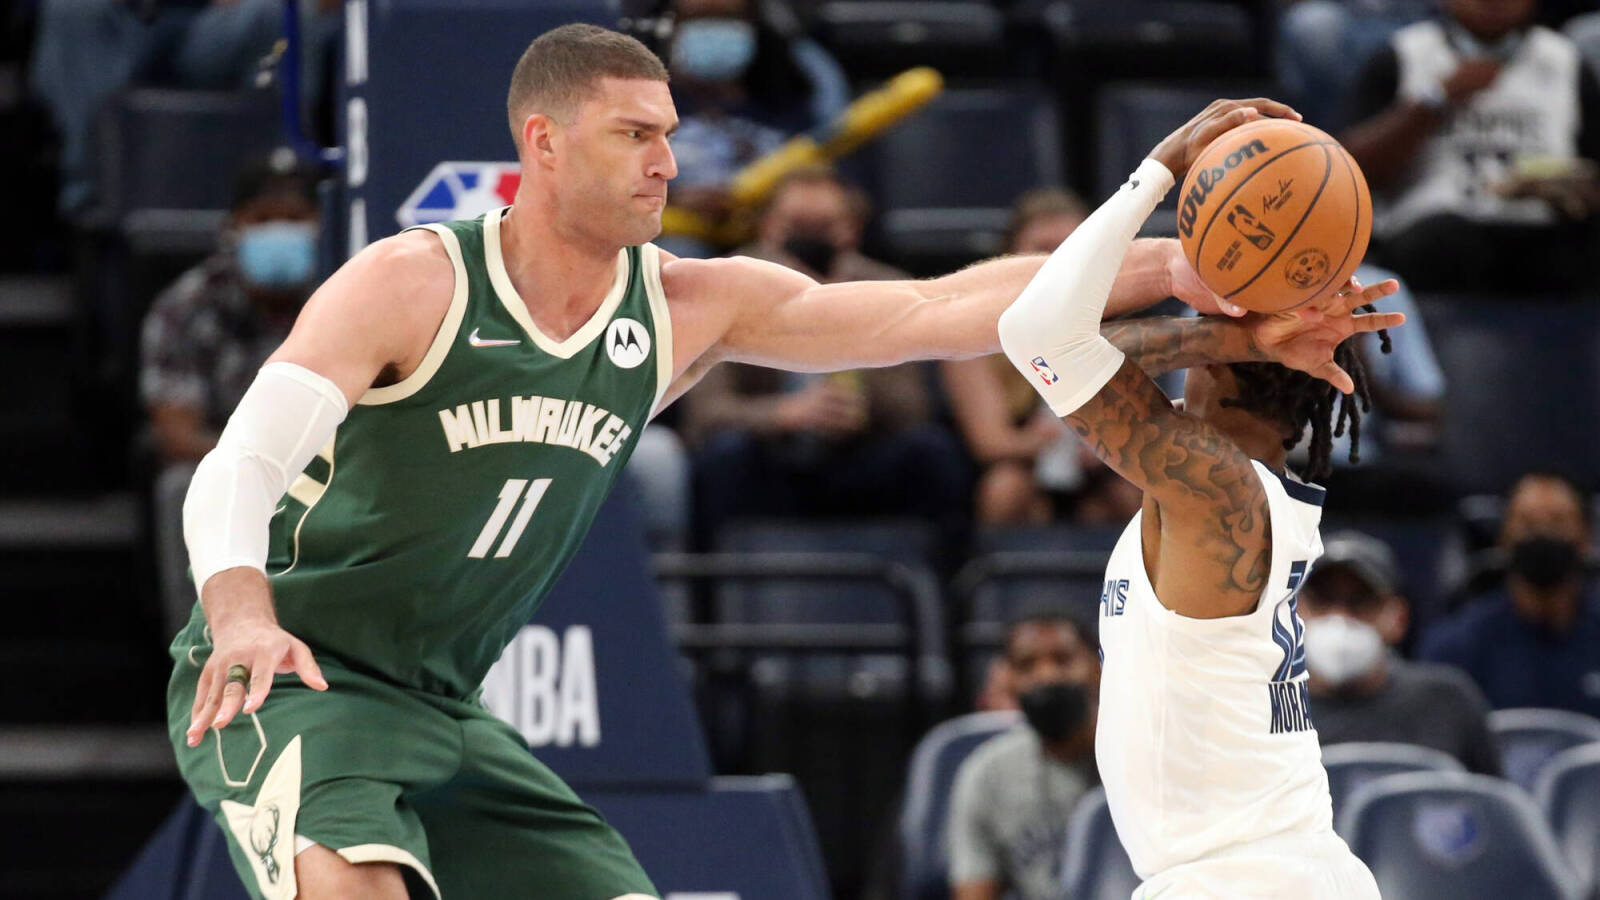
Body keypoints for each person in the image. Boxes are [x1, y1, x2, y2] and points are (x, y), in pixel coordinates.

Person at [169, 24, 1368, 898]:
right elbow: (242, 459)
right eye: (634, 136)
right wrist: (236, 615)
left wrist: (1174, 269)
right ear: (541, 140)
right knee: (352, 889)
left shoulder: (689, 305)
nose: (668, 165)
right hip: (291, 678)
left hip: (440, 700)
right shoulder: (411, 282)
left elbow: (933, 310)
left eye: (670, 138)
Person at [996, 102, 1406, 897]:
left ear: (1216, 373)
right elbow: (1069, 353)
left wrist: (1154, 173)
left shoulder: (1217, 492)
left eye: (1200, 330)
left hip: (1244, 879)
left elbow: (1037, 338)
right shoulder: (1235, 489)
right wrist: (1235, 337)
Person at [684, 165, 967, 545]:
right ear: (768, 227)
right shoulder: (722, 285)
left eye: (824, 227)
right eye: (798, 226)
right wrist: (784, 414)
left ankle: (941, 590)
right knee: (724, 456)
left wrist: (834, 309)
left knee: (932, 452)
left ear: (851, 230)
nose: (810, 240)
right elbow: (705, 413)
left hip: (859, 454)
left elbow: (912, 408)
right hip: (769, 457)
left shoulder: (888, 286)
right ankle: (715, 600)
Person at [140, 148, 322, 634]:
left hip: (331, 466)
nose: (279, 231)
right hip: (227, 464)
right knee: (178, 486)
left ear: (321, 224)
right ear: (235, 227)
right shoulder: (188, 305)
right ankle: (203, 652)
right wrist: (258, 468)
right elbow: (176, 432)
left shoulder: (344, 293)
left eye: (295, 218)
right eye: (263, 219)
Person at [1341, 0, 1600, 291]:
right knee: (1438, 245)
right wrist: (1435, 101)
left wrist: (1578, 189)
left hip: (1542, 231)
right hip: (1437, 231)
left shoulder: (1567, 60)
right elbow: (1352, 173)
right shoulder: (1403, 53)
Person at [941, 188, 1158, 526]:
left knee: (1135, 495)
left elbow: (1148, 428)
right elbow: (991, 442)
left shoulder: (1124, 328)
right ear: (1008, 258)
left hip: (1100, 471)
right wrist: (1052, 442)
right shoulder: (972, 334)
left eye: (1068, 250)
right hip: (1021, 467)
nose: (1055, 264)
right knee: (1006, 490)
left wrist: (1103, 448)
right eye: (1041, 250)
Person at [1300, 531, 1502, 774]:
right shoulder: (1260, 710)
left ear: (1399, 618)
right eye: (1322, 601)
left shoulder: (1447, 703)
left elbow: (1492, 805)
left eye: (1360, 602)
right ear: (1296, 610)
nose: (1340, 617)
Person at [946, 607, 1100, 900]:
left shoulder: (1145, 757)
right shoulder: (987, 773)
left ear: (1098, 666)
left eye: (1063, 660)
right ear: (1009, 680)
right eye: (1027, 665)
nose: (1047, 675)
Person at [1419, 471, 1600, 716]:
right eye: (1528, 524)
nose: (1542, 534)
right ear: (1503, 538)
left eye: (1558, 522)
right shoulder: (1455, 647)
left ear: (1585, 539)